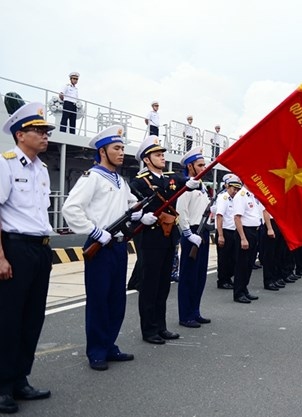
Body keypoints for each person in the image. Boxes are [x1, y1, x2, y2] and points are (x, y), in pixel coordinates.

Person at [62, 125, 138, 371]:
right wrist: (95, 231)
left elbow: (132, 204)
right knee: (98, 300)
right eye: (116, 148)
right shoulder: (92, 177)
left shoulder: (120, 180)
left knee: (117, 300)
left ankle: (109, 345)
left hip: (117, 246)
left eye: (123, 148)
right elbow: (70, 208)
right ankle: (96, 350)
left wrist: (140, 216)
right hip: (99, 245)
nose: (121, 153)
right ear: (102, 151)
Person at [0, 102, 55, 414]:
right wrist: (0, 257)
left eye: (46, 131)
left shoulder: (42, 169)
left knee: (33, 317)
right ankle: (3, 386)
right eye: (39, 131)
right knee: (8, 319)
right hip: (16, 248)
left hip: (40, 248)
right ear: (21, 134)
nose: (45, 136)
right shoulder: (6, 164)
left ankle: (20, 378)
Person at [130, 135, 200, 344]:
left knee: (163, 284)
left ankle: (161, 326)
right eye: (157, 155)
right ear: (146, 159)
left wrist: (191, 183)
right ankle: (149, 330)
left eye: (162, 154)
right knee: (150, 284)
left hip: (169, 237)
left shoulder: (171, 178)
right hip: (150, 237)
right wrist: (142, 215)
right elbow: (132, 207)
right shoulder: (140, 182)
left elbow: (185, 182)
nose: (162, 157)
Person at [176, 147, 211, 328]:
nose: (204, 168)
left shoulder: (202, 185)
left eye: (204, 164)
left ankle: (195, 311)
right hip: (192, 234)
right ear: (190, 166)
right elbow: (181, 211)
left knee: (200, 276)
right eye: (200, 165)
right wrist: (188, 234)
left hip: (203, 232)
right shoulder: (186, 186)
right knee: (188, 276)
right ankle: (185, 315)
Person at [232, 186, 264, 303]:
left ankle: (244, 289)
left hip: (254, 231)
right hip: (245, 232)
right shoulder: (241, 196)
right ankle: (238, 293)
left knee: (249, 263)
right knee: (242, 264)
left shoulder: (251, 195)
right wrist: (243, 238)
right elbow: (237, 218)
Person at [215, 175, 242, 290]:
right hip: (225, 231)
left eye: (237, 189)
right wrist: (220, 235)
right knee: (224, 258)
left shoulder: (235, 199)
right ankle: (222, 280)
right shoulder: (223, 198)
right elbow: (219, 216)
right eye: (233, 188)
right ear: (227, 187)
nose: (235, 191)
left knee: (232, 258)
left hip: (233, 231)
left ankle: (228, 278)